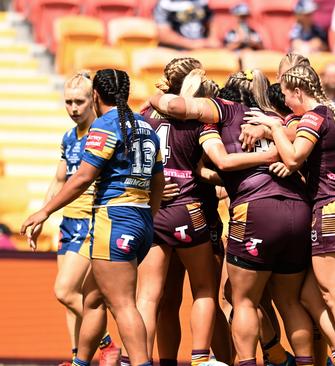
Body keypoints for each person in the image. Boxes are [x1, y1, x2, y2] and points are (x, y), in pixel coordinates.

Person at [150, 69, 316, 366]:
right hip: (300, 208)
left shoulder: (222, 111)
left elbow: (221, 158)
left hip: (255, 209)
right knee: (290, 301)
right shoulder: (277, 118)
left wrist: (156, 96)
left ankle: (252, 360)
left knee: (239, 299)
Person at [22, 69, 165, 366]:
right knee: (92, 299)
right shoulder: (146, 128)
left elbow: (83, 177)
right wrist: (147, 218)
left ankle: (140, 362)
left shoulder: (104, 127)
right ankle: (81, 362)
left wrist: (45, 210)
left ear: (96, 95)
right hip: (140, 220)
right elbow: (158, 181)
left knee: (123, 305)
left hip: (113, 220)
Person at [245, 64, 335, 366]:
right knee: (312, 295)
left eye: (287, 96)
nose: (286, 103)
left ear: (299, 91)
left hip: (330, 207)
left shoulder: (313, 116)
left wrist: (272, 128)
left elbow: (294, 156)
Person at [135, 57, 228, 366]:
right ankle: (202, 359)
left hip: (155, 211)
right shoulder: (200, 116)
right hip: (193, 210)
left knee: (153, 298)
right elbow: (217, 163)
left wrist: (152, 190)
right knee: (204, 291)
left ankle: (143, 360)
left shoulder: (145, 114)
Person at [29, 71, 120, 366]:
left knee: (65, 291)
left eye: (79, 102)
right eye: (68, 102)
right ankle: (77, 358)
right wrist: (43, 214)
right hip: (68, 222)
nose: (73, 108)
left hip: (92, 222)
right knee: (72, 301)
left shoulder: (102, 133)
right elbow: (59, 179)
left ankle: (108, 345)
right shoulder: (69, 137)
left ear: (93, 99)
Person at [153, 0, 219, 50]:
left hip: (201, 49)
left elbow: (210, 21)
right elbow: (164, 35)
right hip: (174, 50)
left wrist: (212, 39)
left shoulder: (201, 2)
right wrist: (191, 44)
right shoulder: (165, 4)